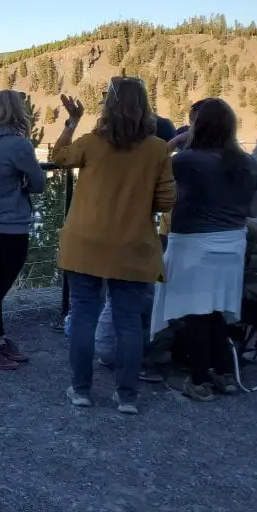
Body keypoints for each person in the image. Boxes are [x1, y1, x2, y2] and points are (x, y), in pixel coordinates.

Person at [50, 77, 176, 415]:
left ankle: (80, 390)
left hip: (85, 245)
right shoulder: (157, 149)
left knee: (83, 317)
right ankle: (127, 397)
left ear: (108, 107)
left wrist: (72, 122)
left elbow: (58, 157)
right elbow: (166, 200)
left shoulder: (91, 143)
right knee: (128, 322)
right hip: (133, 248)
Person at [150, 99, 257, 401]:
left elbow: (153, 162)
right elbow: (253, 207)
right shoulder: (247, 164)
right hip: (232, 244)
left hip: (193, 244)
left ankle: (199, 381)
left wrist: (177, 139)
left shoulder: (188, 161)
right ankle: (224, 373)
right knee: (215, 312)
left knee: (194, 311)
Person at [93, 100, 186, 379]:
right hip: (143, 243)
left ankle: (116, 349)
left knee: (120, 297)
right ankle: (139, 355)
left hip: (118, 242)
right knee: (143, 299)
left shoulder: (117, 159)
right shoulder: (155, 169)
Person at [0, 90, 45, 370]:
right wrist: (25, 182)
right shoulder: (18, 145)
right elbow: (38, 183)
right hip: (11, 225)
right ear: (17, 111)